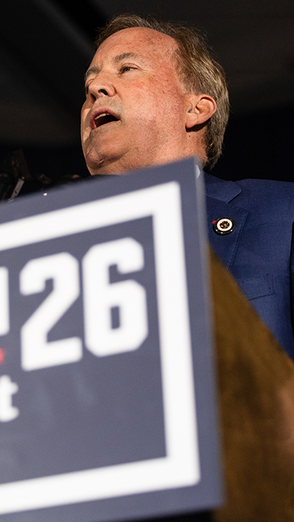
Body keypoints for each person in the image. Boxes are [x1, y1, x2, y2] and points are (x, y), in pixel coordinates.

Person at [81, 14, 294, 359]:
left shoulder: (281, 215)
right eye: (89, 84)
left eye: (127, 69)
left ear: (196, 108)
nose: (95, 88)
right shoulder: (47, 251)